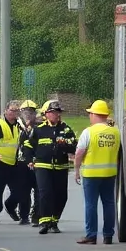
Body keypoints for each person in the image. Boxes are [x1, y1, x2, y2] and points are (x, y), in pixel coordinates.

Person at [23, 100, 76, 234]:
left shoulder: (66, 129)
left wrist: (64, 144)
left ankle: (54, 221)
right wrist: (29, 160)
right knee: (45, 193)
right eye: (52, 112)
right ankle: (44, 222)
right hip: (42, 166)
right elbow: (28, 145)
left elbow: (74, 146)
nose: (55, 115)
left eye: (57, 112)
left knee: (61, 195)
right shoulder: (39, 129)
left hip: (61, 166)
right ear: (46, 114)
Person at [73, 100, 121, 245]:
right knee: (109, 204)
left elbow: (79, 152)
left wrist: (76, 169)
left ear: (94, 114)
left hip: (91, 175)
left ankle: (91, 235)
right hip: (109, 173)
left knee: (91, 204)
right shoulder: (115, 132)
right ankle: (108, 236)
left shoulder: (89, 132)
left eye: (90, 114)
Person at [0, 101, 23, 222]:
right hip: (1, 162)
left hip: (14, 162)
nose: (14, 113)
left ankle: (10, 206)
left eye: (17, 111)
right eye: (12, 110)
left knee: (19, 190)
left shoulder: (19, 125)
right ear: (6, 111)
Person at [11, 99, 39, 225]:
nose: (28, 114)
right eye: (25, 111)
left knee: (39, 191)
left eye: (31, 111)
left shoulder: (39, 127)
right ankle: (24, 216)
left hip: (37, 162)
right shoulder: (16, 125)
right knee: (24, 191)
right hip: (22, 163)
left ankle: (37, 215)